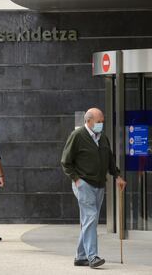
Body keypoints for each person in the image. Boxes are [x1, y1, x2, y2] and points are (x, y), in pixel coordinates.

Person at [61, 108, 127, 268]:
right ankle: (93, 257)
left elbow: (109, 159)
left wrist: (117, 175)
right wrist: (76, 179)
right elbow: (66, 161)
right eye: (99, 122)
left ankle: (80, 256)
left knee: (90, 220)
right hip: (83, 183)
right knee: (90, 218)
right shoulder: (77, 136)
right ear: (88, 121)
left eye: (102, 122)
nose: (101, 125)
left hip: (99, 184)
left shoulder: (103, 138)